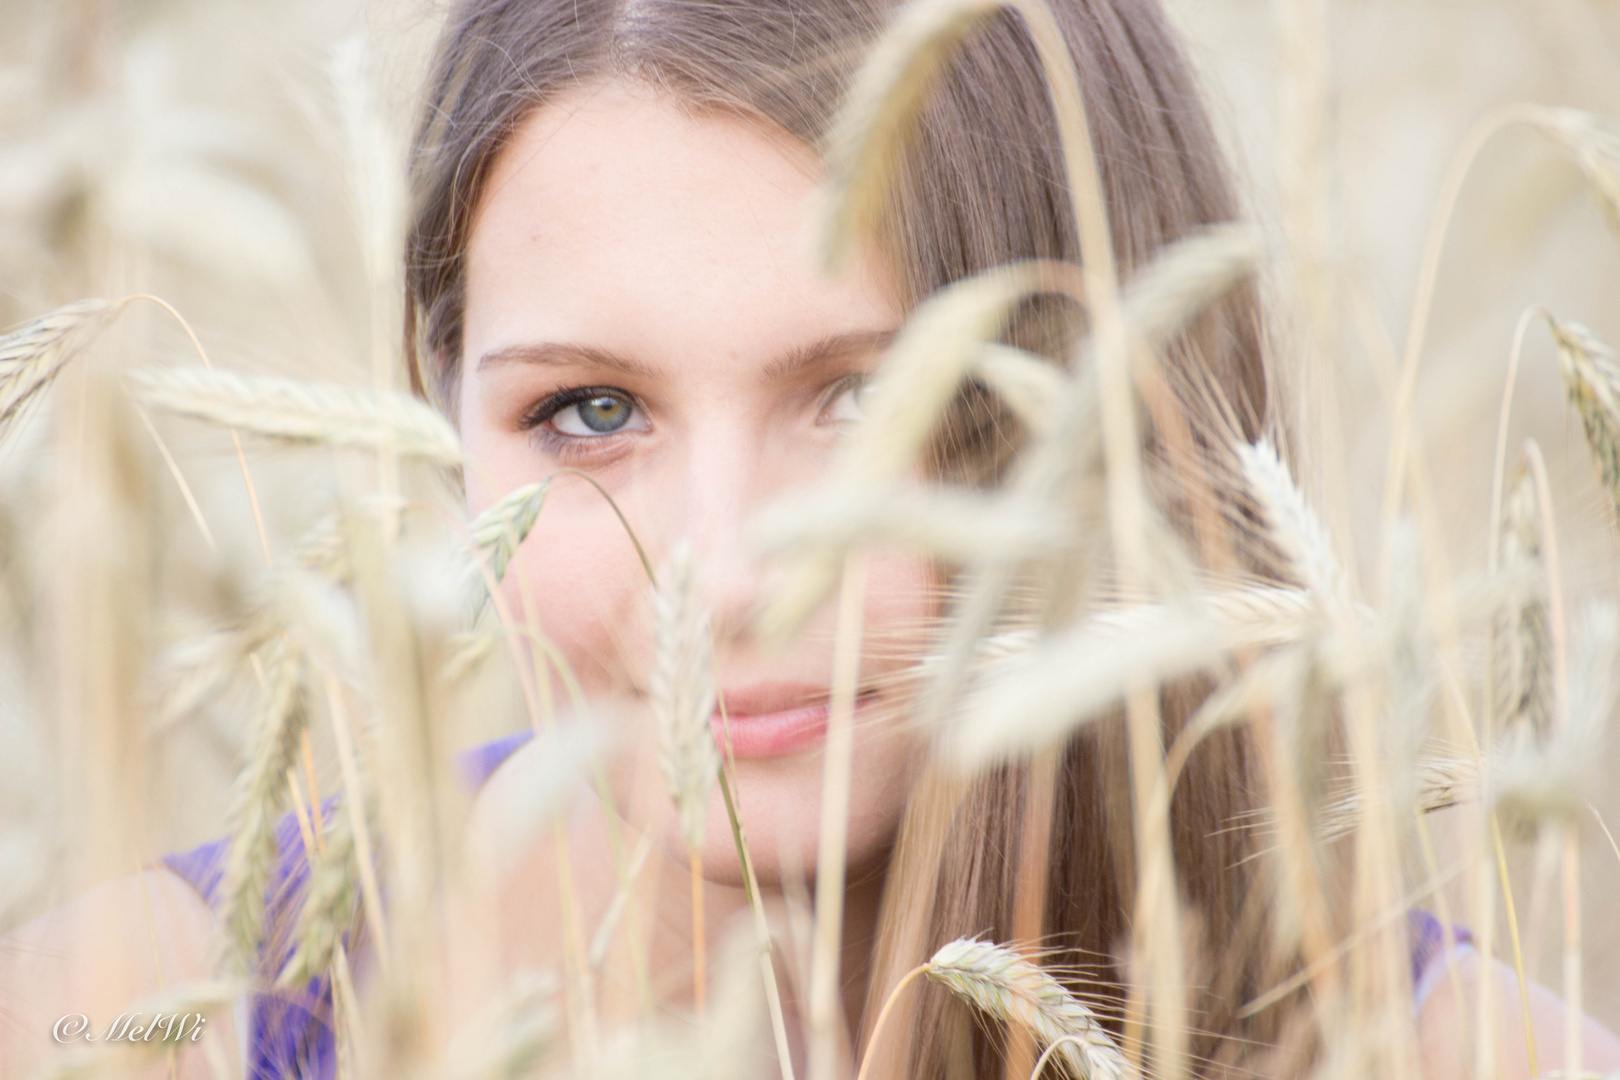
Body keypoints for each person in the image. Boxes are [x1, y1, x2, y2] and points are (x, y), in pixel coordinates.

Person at [3, 1, 1619, 1078]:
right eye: (588, 413)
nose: (729, 568)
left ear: (1117, 406)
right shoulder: (132, 1016)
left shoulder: (1470, 1054)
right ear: (433, 430)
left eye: (865, 399)